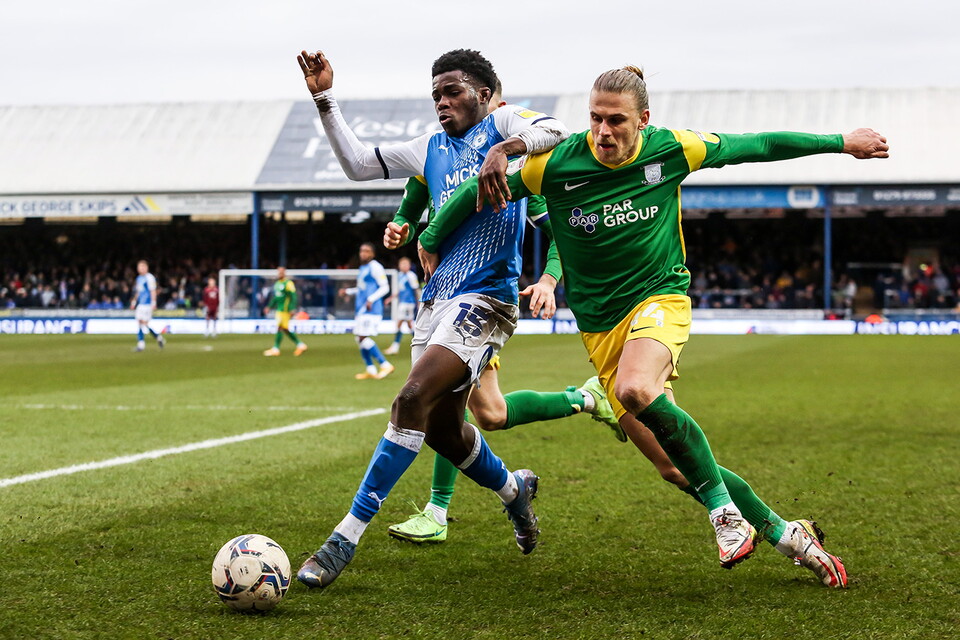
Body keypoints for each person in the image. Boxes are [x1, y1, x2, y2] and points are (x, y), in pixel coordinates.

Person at [421, 65, 889, 587]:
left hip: (658, 299)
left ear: (643, 119)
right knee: (672, 466)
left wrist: (841, 141)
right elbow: (474, 194)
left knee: (637, 387)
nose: (603, 132)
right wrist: (432, 234)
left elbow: (756, 142)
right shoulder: (552, 164)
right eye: (595, 118)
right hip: (601, 330)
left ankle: (723, 513)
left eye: (616, 120)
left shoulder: (673, 149)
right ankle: (786, 533)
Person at [294, 47, 570, 590]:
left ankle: (343, 538)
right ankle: (515, 490)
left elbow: (557, 131)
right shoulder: (429, 148)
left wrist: (505, 151)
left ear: (485, 94)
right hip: (437, 301)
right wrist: (325, 99)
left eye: (453, 92)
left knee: (410, 399)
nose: (443, 103)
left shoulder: (504, 124)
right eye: (437, 96)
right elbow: (356, 165)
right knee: (444, 431)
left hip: (488, 300)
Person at [383, 82, 625, 545]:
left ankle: (437, 510)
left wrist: (551, 280)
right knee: (488, 413)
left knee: (443, 400)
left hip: (480, 299)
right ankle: (587, 399)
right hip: (443, 296)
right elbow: (413, 215)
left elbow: (559, 231)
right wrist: (403, 229)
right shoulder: (435, 159)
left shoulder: (516, 171)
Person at [340, 242, 395, 379]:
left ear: (372, 254)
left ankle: (385, 364)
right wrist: (348, 291)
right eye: (361, 250)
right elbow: (361, 289)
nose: (363, 253)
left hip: (372, 309)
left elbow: (385, 287)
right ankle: (371, 369)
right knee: (359, 338)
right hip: (362, 308)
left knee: (363, 337)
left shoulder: (376, 267)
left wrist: (371, 299)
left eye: (367, 251)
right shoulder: (363, 268)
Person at [262, 266, 307, 357]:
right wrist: (269, 306)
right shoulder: (277, 284)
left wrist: (292, 308)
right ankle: (300, 344)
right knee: (284, 329)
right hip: (279, 309)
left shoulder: (288, 283)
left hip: (285, 310)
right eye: (278, 272)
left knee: (280, 328)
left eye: (281, 272)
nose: (280, 274)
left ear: (284, 273)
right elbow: (276, 297)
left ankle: (276, 348)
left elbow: (293, 296)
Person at [384, 256, 420, 356]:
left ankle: (395, 346)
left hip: (408, 303)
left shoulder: (411, 276)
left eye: (406, 264)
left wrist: (419, 303)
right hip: (402, 303)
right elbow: (400, 291)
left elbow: (416, 289)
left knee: (399, 323)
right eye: (402, 264)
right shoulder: (400, 275)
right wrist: (390, 298)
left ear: (409, 266)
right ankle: (420, 343)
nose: (404, 266)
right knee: (409, 324)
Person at [129, 260, 165, 352]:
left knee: (143, 323)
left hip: (147, 304)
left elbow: (153, 290)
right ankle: (143, 343)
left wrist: (153, 303)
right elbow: (138, 292)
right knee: (140, 322)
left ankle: (156, 338)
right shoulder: (139, 278)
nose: (141, 268)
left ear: (146, 267)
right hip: (141, 304)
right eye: (139, 267)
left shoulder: (150, 278)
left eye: (143, 266)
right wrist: (134, 302)